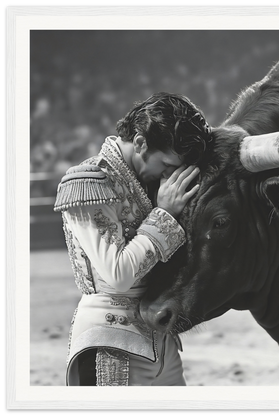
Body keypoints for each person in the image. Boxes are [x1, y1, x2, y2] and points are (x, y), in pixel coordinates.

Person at [54, 92, 213, 386]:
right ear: (140, 143)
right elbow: (119, 275)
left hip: (162, 342)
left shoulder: (146, 181)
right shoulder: (91, 181)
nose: (170, 175)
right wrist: (164, 213)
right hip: (110, 343)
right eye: (166, 164)